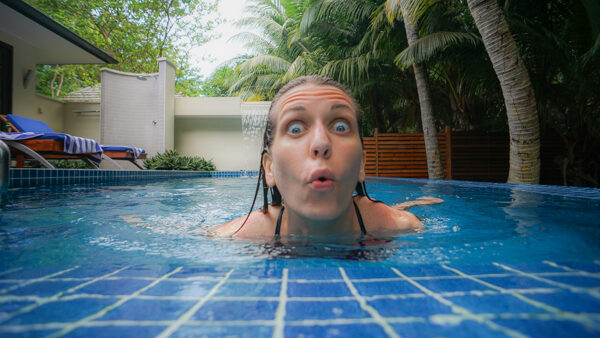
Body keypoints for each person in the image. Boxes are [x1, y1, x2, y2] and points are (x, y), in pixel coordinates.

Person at [212, 75, 442, 242]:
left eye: (340, 126)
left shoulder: (402, 225)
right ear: (269, 168)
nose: (321, 143)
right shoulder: (236, 234)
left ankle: (410, 203)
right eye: (295, 128)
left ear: (362, 163)